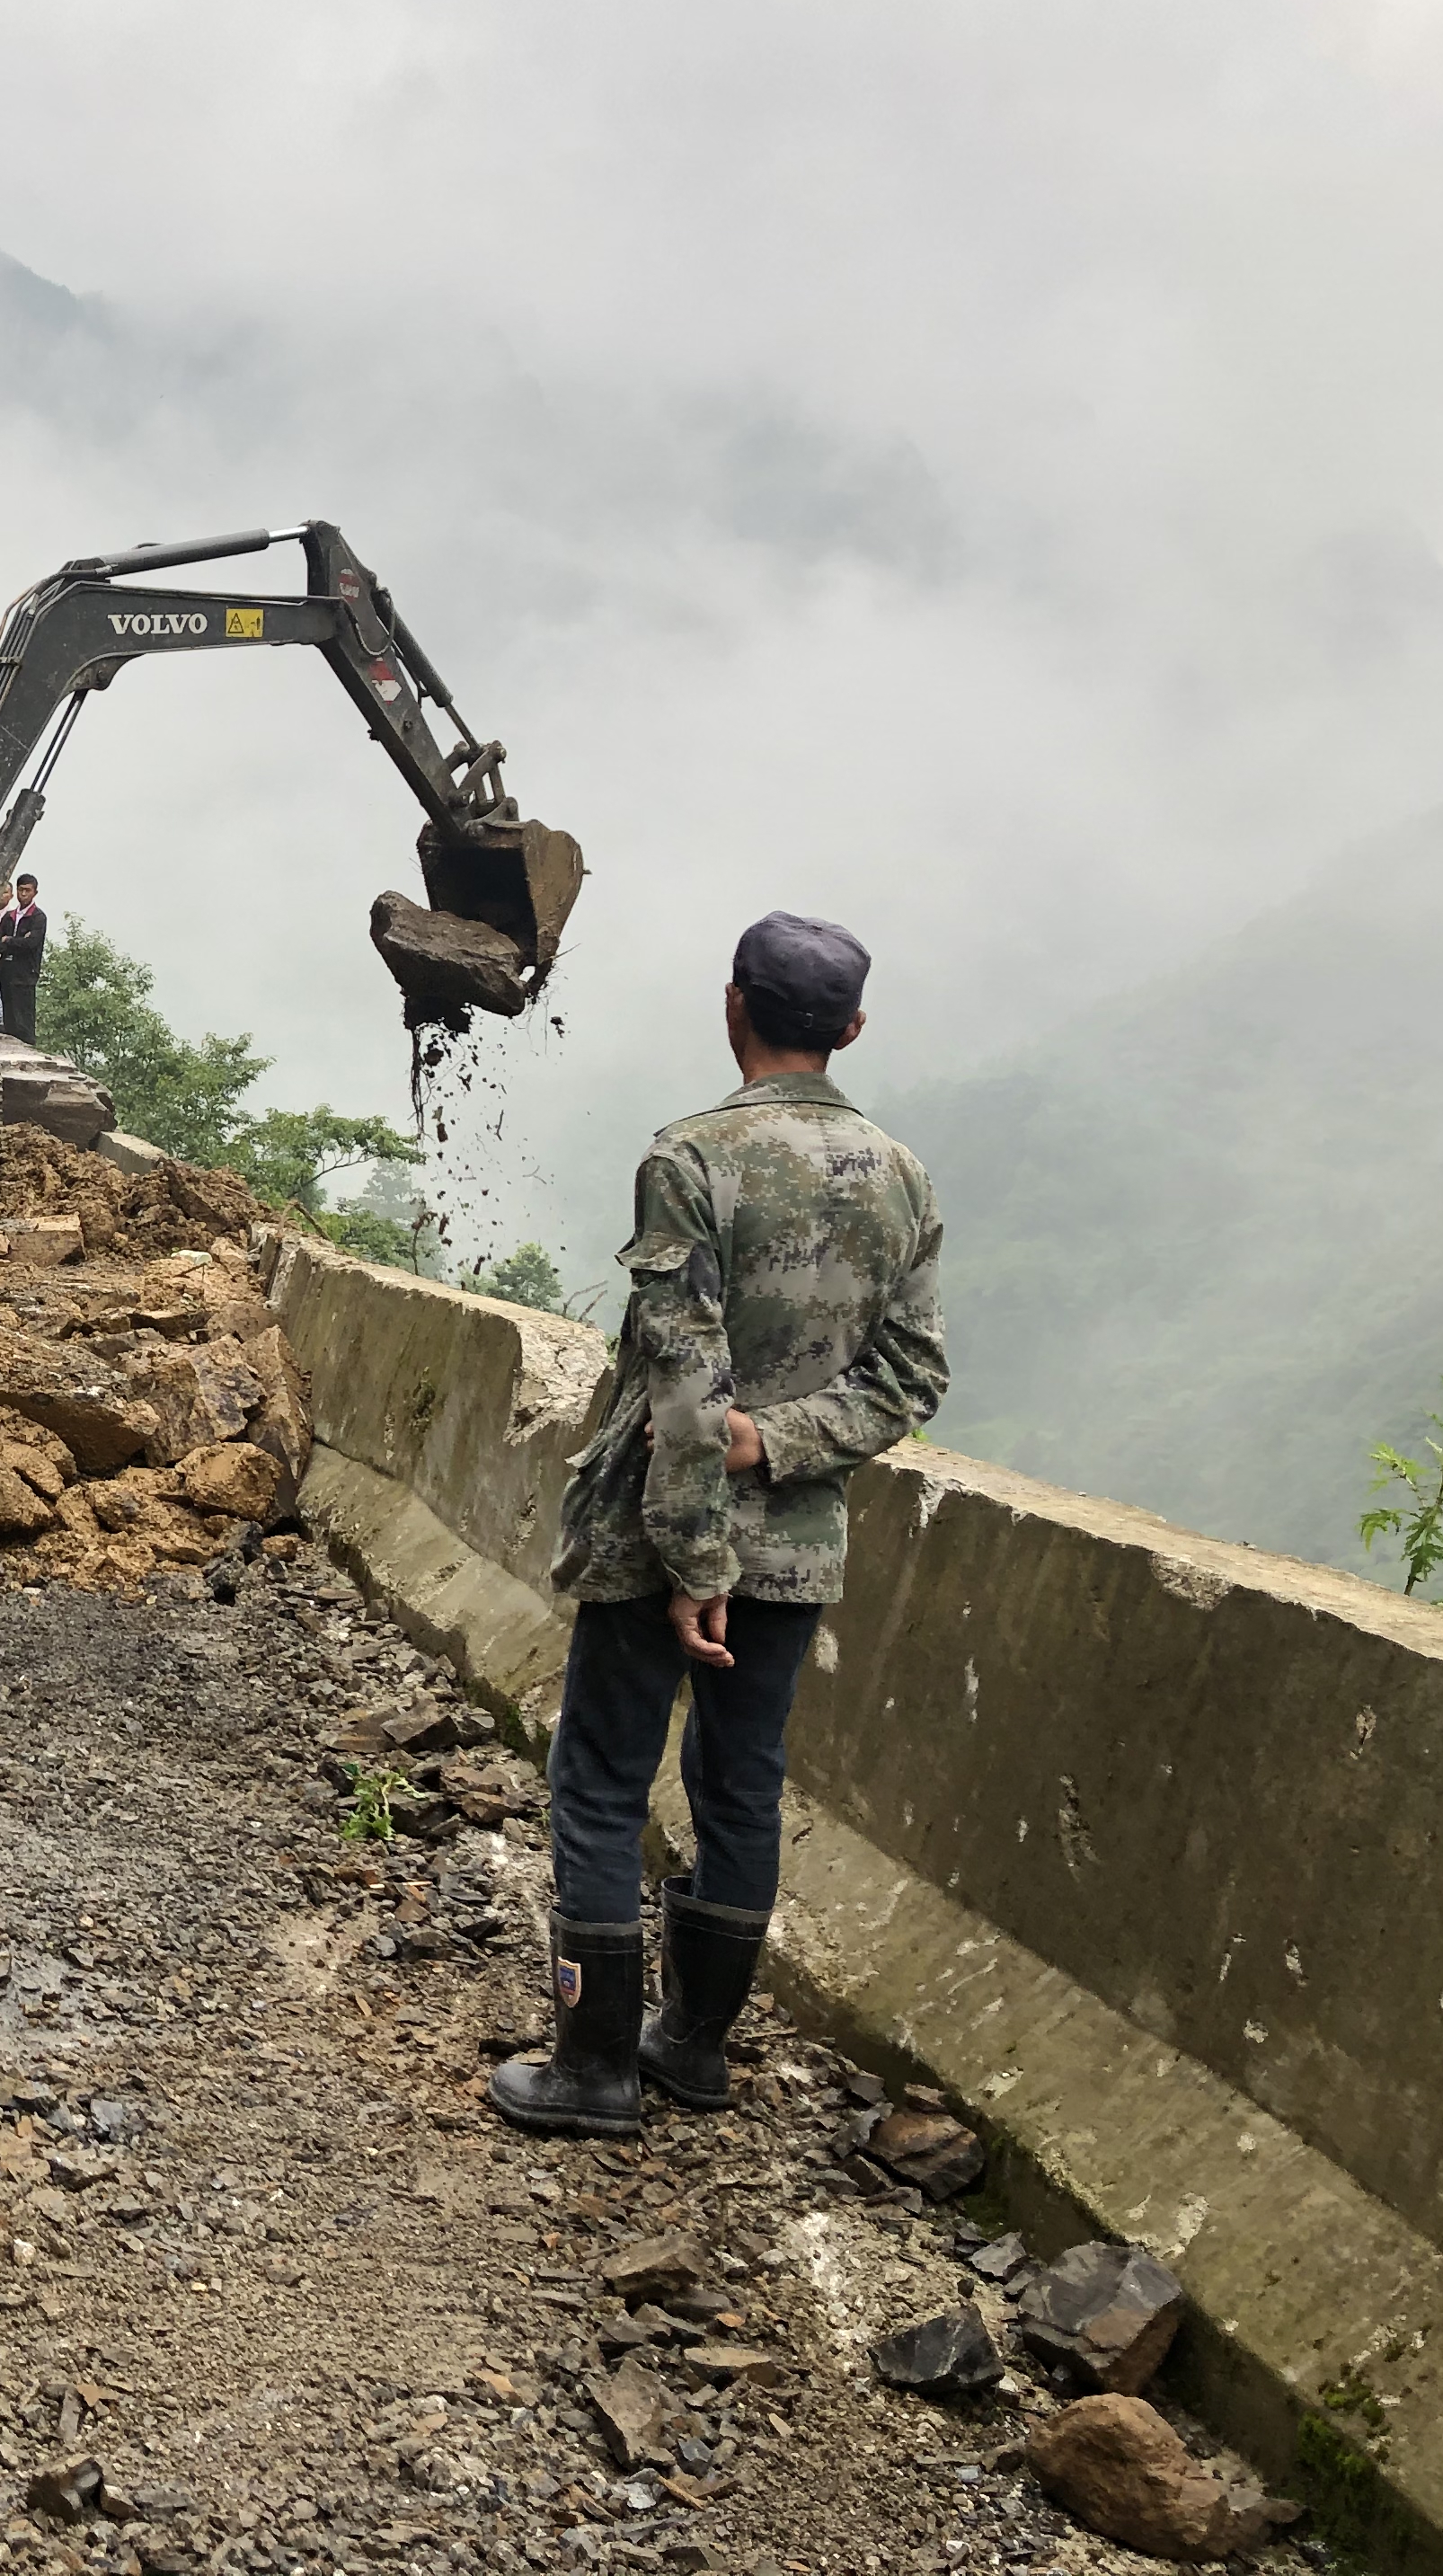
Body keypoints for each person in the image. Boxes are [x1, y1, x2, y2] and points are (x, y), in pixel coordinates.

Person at [490, 911, 947, 2140]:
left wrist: (696, 1552)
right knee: (741, 1788)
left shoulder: (690, 1161)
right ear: (850, 1029)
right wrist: (783, 1447)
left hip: (659, 1539)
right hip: (796, 1553)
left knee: (599, 1782)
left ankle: (591, 2071)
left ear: (733, 1004)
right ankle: (689, 2052)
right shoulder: (901, 1176)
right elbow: (912, 1377)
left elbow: (684, 1378)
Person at [0, 874, 49, 1043]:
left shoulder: (38, 917)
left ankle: (27, 1048)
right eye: (21, 890)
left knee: (24, 1018)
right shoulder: (9, 916)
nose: (24, 894)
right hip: (6, 971)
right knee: (9, 1018)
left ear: (35, 892)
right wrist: (15, 941)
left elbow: (31, 943)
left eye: (27, 890)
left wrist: (9, 940)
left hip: (25, 974)